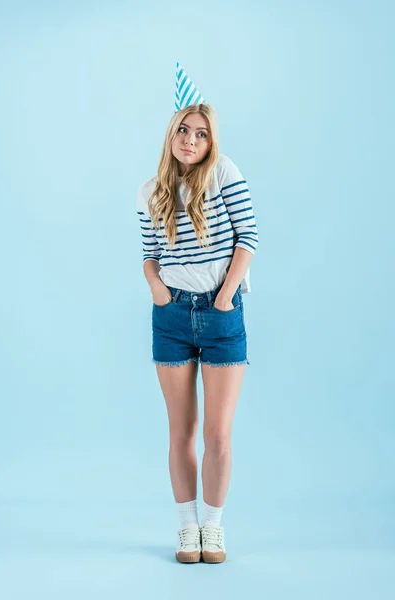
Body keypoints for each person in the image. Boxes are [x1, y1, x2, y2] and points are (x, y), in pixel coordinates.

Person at [136, 64, 259, 564]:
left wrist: (227, 295)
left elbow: (248, 238)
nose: (190, 139)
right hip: (170, 318)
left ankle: (214, 526)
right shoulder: (150, 191)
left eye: (200, 133)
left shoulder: (224, 172)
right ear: (171, 135)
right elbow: (149, 253)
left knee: (218, 434)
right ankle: (187, 529)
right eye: (183, 130)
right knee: (181, 432)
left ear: (211, 142)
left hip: (222, 315)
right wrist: (157, 290)